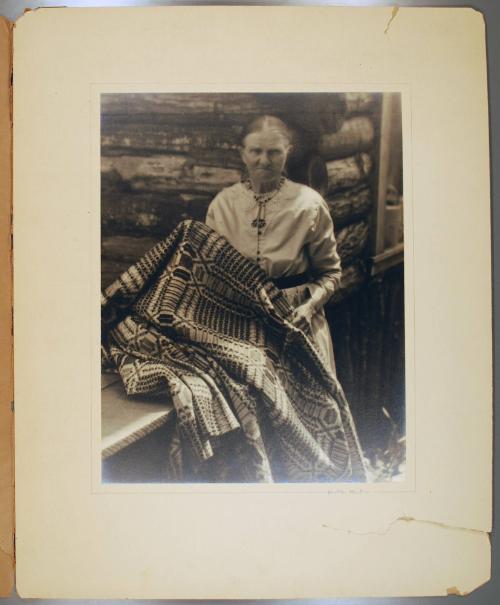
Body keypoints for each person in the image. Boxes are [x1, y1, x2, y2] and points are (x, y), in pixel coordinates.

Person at [206, 115, 341, 374]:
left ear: (287, 152)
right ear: (242, 153)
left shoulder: (308, 205)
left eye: (274, 152)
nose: (264, 160)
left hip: (295, 325)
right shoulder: (222, 205)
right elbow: (210, 273)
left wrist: (309, 308)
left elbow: (331, 273)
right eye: (256, 151)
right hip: (239, 325)